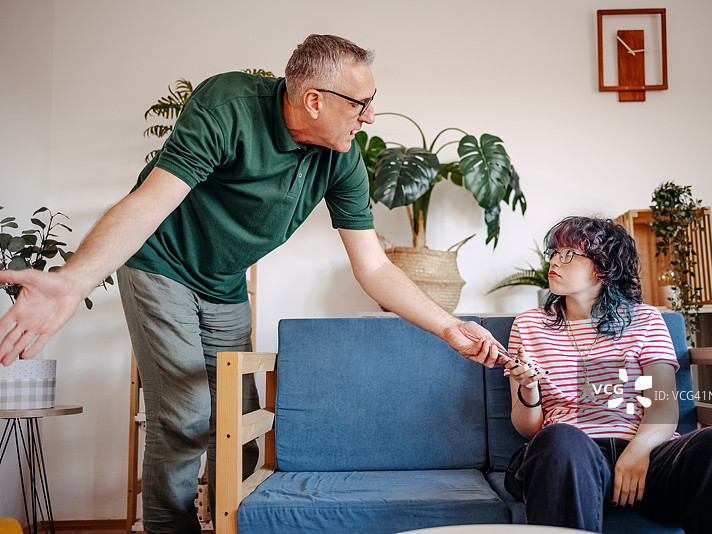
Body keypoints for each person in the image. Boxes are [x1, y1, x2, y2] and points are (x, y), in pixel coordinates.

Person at [0, 34, 507, 533]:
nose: (369, 116)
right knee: (186, 415)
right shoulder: (230, 106)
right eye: (363, 103)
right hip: (159, 264)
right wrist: (72, 281)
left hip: (224, 283)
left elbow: (373, 267)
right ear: (314, 100)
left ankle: (231, 525)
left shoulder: (342, 157)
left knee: (236, 423)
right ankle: (168, 528)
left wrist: (449, 328)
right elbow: (150, 202)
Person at [503, 216, 712, 534]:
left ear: (603, 266)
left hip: (650, 456)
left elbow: (663, 407)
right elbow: (529, 428)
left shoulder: (645, 320)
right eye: (555, 252)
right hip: (572, 459)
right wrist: (529, 387)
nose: (555, 262)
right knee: (560, 441)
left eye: (569, 254)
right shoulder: (529, 326)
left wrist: (638, 450)